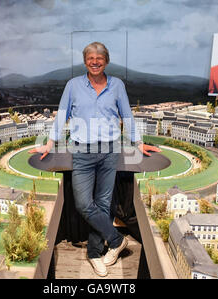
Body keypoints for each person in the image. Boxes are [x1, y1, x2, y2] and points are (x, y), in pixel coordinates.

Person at [29, 42, 160, 277]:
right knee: (83, 204)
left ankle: (95, 253)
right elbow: (62, 115)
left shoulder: (117, 85)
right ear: (85, 61)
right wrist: (49, 143)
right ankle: (116, 239)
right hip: (82, 153)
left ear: (106, 61)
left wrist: (139, 143)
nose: (95, 61)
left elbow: (127, 116)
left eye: (100, 58)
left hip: (111, 152)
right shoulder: (73, 85)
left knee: (103, 204)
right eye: (91, 58)